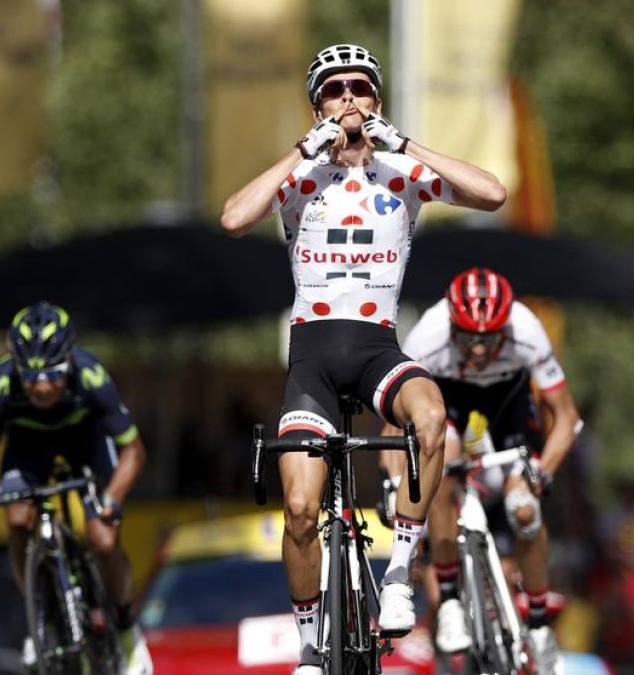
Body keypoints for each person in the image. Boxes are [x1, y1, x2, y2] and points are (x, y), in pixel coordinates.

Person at [220, 43, 507, 675]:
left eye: (360, 87)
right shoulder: (299, 179)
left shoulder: (402, 175)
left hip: (378, 349)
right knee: (299, 510)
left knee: (430, 416)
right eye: (332, 89)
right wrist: (303, 149)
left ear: (377, 99)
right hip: (313, 363)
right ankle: (308, 646)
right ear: (317, 104)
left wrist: (405, 144)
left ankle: (401, 572)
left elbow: (492, 193)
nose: (347, 97)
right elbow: (234, 218)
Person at [383, 267, 581, 674]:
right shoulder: (428, 335)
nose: (477, 350)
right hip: (448, 397)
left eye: (488, 339)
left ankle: (539, 623)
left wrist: (541, 475)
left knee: (524, 511)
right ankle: (452, 597)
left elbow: (566, 418)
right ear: (452, 324)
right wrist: (396, 481)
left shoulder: (527, 328)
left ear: (505, 328)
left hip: (508, 402)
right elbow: (393, 426)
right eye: (468, 337)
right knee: (437, 475)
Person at [0, 301, 152, 674]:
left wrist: (111, 500)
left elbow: (134, 451)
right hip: (28, 452)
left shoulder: (92, 377)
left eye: (52, 374)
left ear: (70, 361)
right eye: (29, 377)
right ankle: (40, 619)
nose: (41, 386)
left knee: (104, 540)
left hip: (86, 445)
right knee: (16, 521)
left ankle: (127, 629)